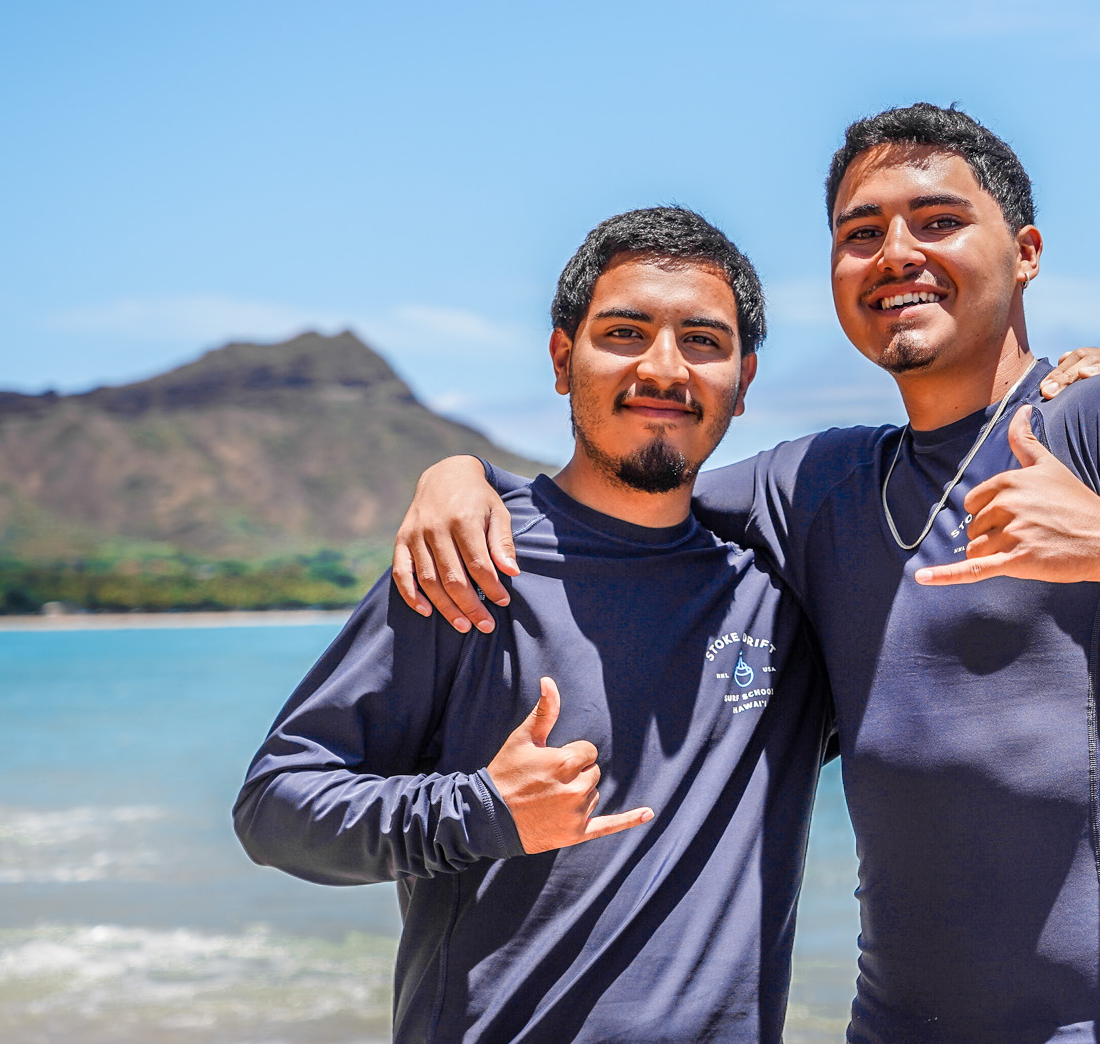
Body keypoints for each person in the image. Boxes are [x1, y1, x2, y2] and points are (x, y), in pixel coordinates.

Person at [393, 104, 1100, 1043]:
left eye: (938, 222)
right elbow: (617, 492)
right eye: (862, 232)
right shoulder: (820, 482)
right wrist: (463, 476)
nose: (896, 252)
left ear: (1026, 254)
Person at [234, 208, 838, 1043]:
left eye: (703, 341)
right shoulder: (468, 562)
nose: (664, 367)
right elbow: (274, 806)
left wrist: (1082, 401)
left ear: (744, 379)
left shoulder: (781, 602)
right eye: (625, 332)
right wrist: (481, 809)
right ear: (564, 359)